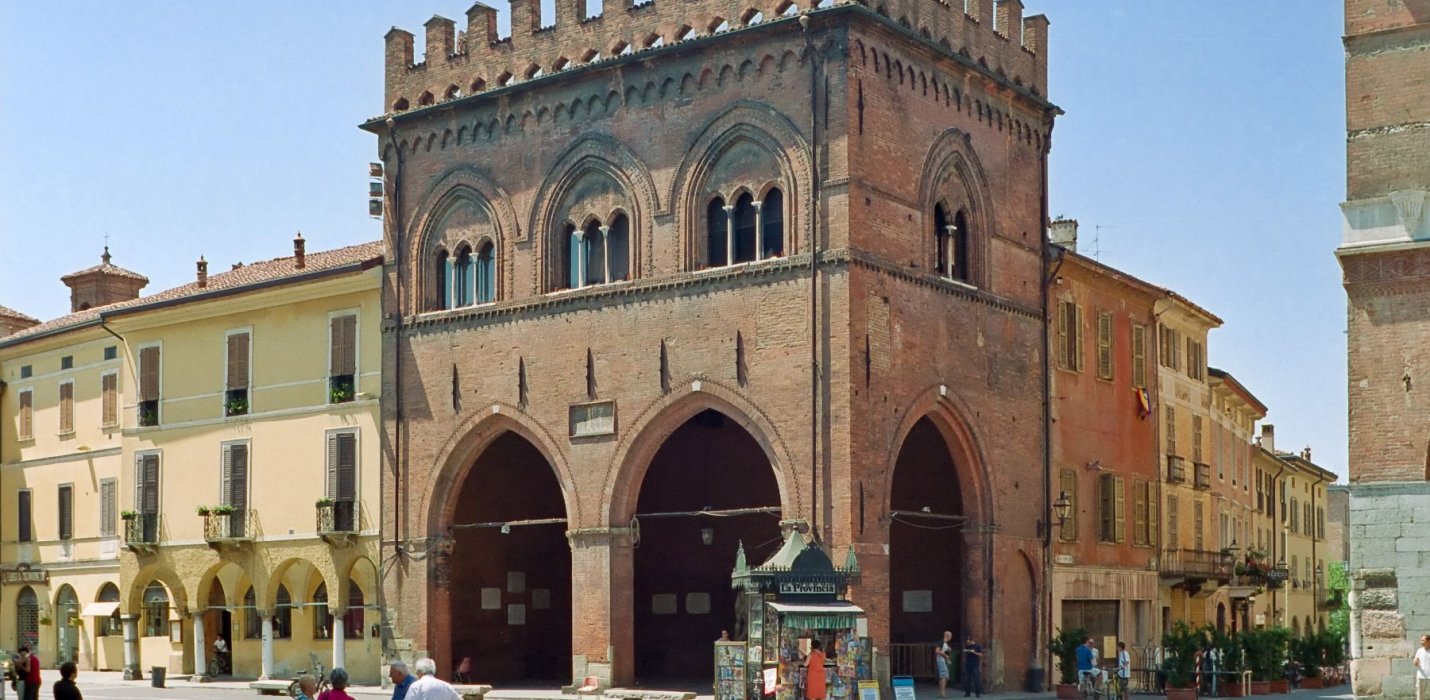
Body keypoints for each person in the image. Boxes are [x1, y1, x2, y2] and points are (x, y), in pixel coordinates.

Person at [934, 631, 953, 698]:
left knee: (943, 676)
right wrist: (945, 655)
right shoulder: (941, 642)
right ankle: (942, 693)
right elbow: (937, 651)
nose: (951, 638)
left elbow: (945, 652)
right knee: (944, 676)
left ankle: (941, 693)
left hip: (943, 660)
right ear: (948, 636)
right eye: (951, 636)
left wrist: (948, 658)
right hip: (941, 660)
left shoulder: (945, 644)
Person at [1413, 634, 1430, 700]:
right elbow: (1415, 663)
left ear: (1428, 641)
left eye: (1423, 640)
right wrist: (1416, 662)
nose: (1421, 642)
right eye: (1421, 640)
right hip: (1421, 677)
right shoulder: (1419, 651)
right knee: (1420, 697)